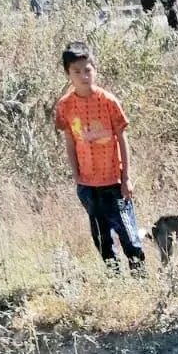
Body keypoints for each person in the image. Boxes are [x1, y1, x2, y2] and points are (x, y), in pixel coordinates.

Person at [54, 41, 146, 273]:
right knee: (101, 235)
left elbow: (122, 138)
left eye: (88, 70)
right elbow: (70, 143)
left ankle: (140, 276)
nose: (84, 76)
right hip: (88, 183)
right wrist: (77, 176)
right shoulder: (65, 106)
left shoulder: (108, 101)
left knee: (128, 233)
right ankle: (113, 278)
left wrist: (126, 177)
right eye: (77, 71)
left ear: (95, 69)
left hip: (113, 180)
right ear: (68, 74)